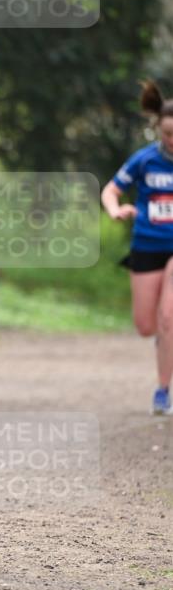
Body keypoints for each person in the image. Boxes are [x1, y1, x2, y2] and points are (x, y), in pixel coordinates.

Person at [101, 79, 173, 415]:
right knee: (147, 325)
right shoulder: (144, 160)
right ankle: (163, 337)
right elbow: (111, 190)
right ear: (159, 130)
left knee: (169, 315)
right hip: (147, 244)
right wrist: (116, 210)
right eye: (168, 134)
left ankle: (163, 390)